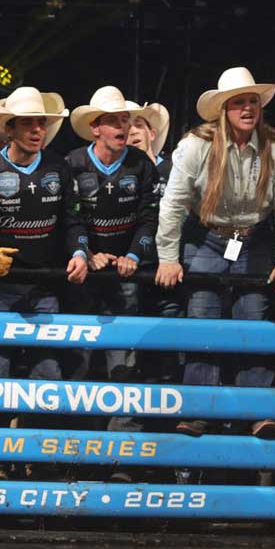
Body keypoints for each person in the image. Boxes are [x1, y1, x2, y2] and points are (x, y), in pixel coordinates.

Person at [154, 67, 275, 438]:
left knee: (253, 320)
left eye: (253, 101)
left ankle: (257, 412)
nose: (247, 108)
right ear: (224, 109)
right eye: (239, 102)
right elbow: (173, 203)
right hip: (207, 236)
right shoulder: (195, 146)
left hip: (255, 239)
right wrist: (167, 256)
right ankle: (199, 410)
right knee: (203, 317)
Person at [0, 87, 89, 476]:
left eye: (41, 124)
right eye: (28, 124)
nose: (36, 130)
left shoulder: (59, 168)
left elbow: (74, 220)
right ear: (10, 128)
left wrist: (80, 252)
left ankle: (39, 464)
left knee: (48, 378)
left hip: (44, 290)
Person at [66, 86, 161, 380]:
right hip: (85, 270)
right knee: (77, 356)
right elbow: (69, 218)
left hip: (125, 273)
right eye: (113, 120)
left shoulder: (142, 164)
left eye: (125, 119)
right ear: (95, 128)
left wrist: (134, 255)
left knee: (123, 359)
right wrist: (86, 253)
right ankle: (71, 410)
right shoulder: (73, 163)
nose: (123, 126)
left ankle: (122, 411)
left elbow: (150, 218)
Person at [127, 100, 172, 184]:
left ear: (152, 134)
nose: (133, 132)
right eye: (127, 128)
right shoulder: (120, 177)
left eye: (139, 125)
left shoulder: (174, 171)